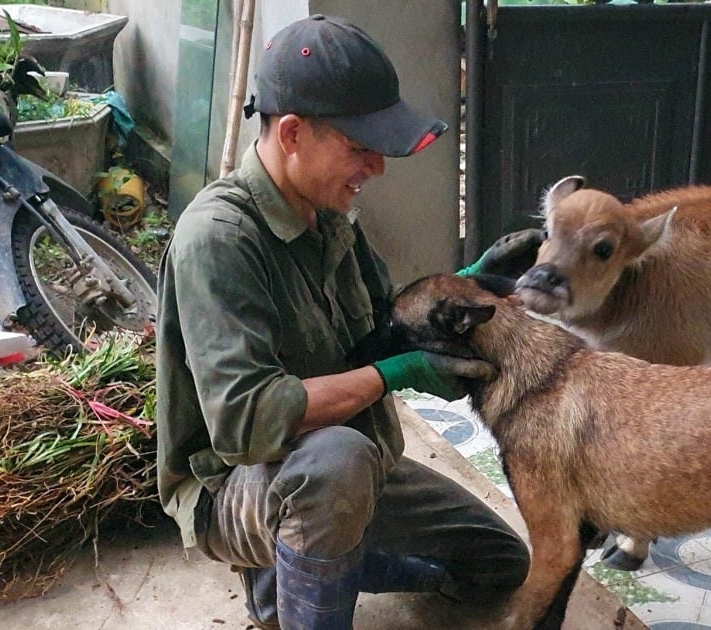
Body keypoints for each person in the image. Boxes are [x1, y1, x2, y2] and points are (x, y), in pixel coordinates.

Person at [155, 15, 540, 629]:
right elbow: (247, 425)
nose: (376, 167)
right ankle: (296, 590)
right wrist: (395, 375)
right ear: (292, 133)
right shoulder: (218, 240)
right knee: (335, 464)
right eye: (359, 148)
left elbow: (385, 329)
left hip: (351, 466)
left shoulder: (330, 216)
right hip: (242, 483)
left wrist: (466, 282)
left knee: (501, 562)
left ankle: (301, 570)